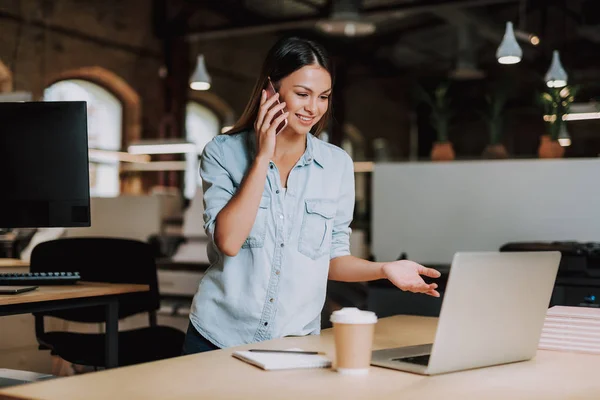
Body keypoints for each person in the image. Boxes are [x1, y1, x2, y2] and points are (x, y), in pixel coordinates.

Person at [181, 36, 440, 355]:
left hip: (295, 343)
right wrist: (263, 157)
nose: (313, 108)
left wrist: (384, 269)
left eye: (323, 97)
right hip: (217, 337)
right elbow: (229, 241)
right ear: (270, 91)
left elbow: (332, 259)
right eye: (302, 94)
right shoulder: (223, 153)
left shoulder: (337, 165)